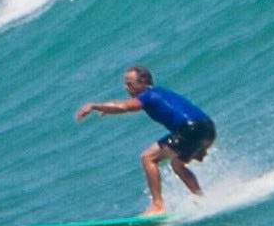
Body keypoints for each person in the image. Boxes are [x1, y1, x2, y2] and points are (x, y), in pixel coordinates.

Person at [73, 64, 215, 214]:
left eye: (130, 84)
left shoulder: (147, 95)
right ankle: (201, 199)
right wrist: (108, 108)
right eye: (125, 84)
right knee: (177, 164)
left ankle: (157, 206)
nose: (127, 88)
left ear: (144, 82)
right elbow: (123, 105)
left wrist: (95, 106)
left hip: (190, 129)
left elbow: (124, 107)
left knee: (148, 157)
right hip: (207, 128)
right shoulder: (160, 92)